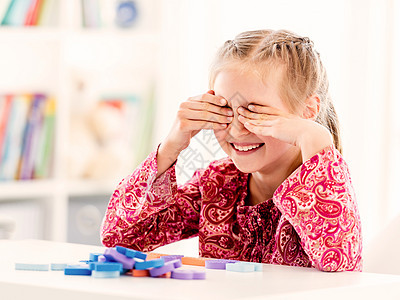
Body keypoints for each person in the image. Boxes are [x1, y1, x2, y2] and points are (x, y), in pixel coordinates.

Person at [100, 29, 362, 272]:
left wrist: (315, 140)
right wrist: (170, 146)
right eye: (224, 110)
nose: (237, 130)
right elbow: (120, 238)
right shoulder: (218, 183)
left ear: (307, 111)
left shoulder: (328, 181)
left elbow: (338, 260)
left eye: (255, 112)